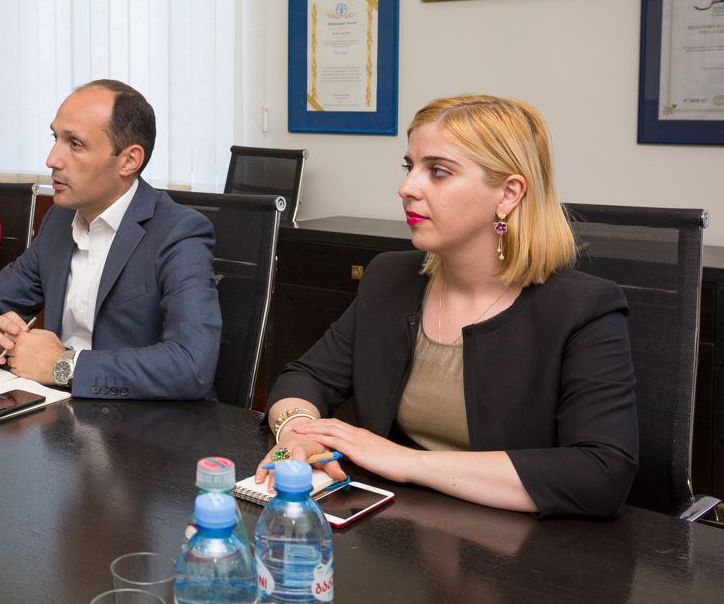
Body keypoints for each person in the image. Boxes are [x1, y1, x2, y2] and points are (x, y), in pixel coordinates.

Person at [257, 94, 638, 519]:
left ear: (508, 193)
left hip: (522, 542)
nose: (407, 187)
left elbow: (600, 472)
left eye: (438, 172)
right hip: (400, 530)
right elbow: (308, 376)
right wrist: (297, 431)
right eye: (410, 166)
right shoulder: (390, 278)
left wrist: (407, 462)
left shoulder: (583, 309)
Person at [0, 79, 221, 400]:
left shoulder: (179, 232)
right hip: (57, 412)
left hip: (140, 420)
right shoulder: (58, 220)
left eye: (75, 144)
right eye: (55, 138)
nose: (52, 159)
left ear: (129, 161)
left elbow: (192, 365)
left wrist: (62, 365)